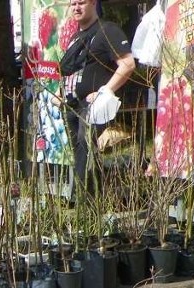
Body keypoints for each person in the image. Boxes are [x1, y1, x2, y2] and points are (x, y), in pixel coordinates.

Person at [60, 0, 135, 191]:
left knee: (87, 153)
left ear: (93, 3)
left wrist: (106, 91)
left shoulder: (108, 30)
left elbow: (128, 64)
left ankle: (87, 205)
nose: (76, 7)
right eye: (73, 3)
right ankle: (89, 205)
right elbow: (72, 70)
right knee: (78, 156)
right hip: (72, 105)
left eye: (81, 2)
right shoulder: (75, 37)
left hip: (94, 108)